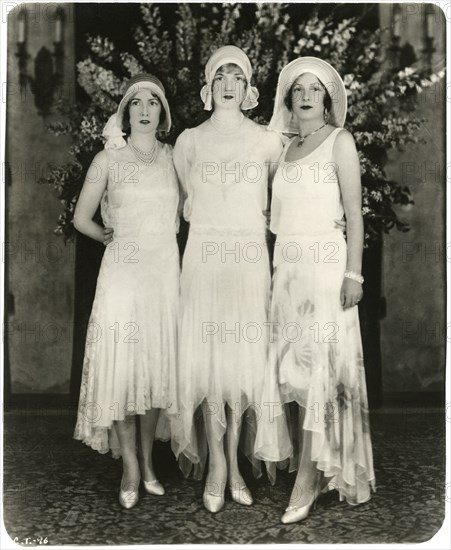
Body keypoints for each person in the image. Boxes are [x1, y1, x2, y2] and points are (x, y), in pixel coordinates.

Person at [255, 57, 375, 523]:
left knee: (320, 373)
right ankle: (317, 467)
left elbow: (355, 214)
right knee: (295, 376)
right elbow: (274, 220)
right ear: (289, 98)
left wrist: (355, 274)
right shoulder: (285, 149)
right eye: (299, 89)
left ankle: (307, 478)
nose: (306, 96)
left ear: (328, 99)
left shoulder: (339, 143)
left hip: (327, 270)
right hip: (288, 271)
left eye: (316, 90)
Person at [171, 46, 284, 513]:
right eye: (221, 75)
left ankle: (237, 462)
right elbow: (180, 199)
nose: (229, 83)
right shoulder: (189, 142)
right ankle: (217, 463)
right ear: (209, 86)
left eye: (238, 75)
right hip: (205, 258)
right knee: (209, 363)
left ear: (249, 86)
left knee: (242, 363)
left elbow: (284, 194)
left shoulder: (266, 141)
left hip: (248, 257)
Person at [73, 74, 180, 509]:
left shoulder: (175, 157)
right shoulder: (108, 158)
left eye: (152, 102)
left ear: (162, 113)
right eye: (136, 102)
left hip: (163, 274)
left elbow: (203, 202)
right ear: (125, 111)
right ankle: (131, 469)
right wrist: (107, 236)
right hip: (121, 273)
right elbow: (81, 217)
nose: (144, 109)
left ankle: (150, 462)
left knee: (155, 369)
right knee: (120, 369)